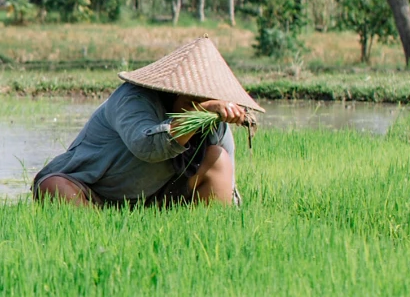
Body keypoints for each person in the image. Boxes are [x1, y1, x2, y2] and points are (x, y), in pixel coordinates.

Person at [33, 36, 256, 207]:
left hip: (161, 198)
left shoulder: (214, 120)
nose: (198, 107)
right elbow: (147, 147)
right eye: (191, 101)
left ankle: (203, 232)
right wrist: (197, 115)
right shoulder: (133, 99)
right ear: (173, 93)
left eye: (206, 101)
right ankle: (102, 232)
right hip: (97, 193)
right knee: (53, 187)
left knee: (218, 158)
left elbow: (228, 179)